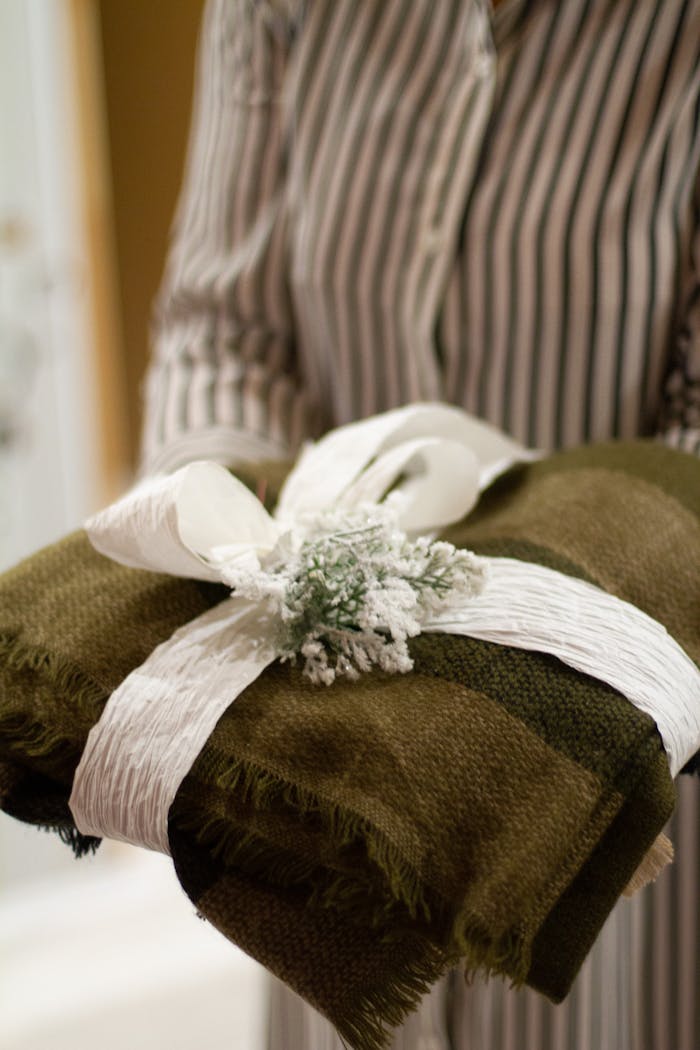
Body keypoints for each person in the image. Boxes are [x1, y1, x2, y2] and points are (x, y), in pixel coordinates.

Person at [140, 1, 700, 1047]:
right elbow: (227, 333)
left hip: (620, 756)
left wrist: (487, 677)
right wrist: (245, 562)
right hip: (322, 754)